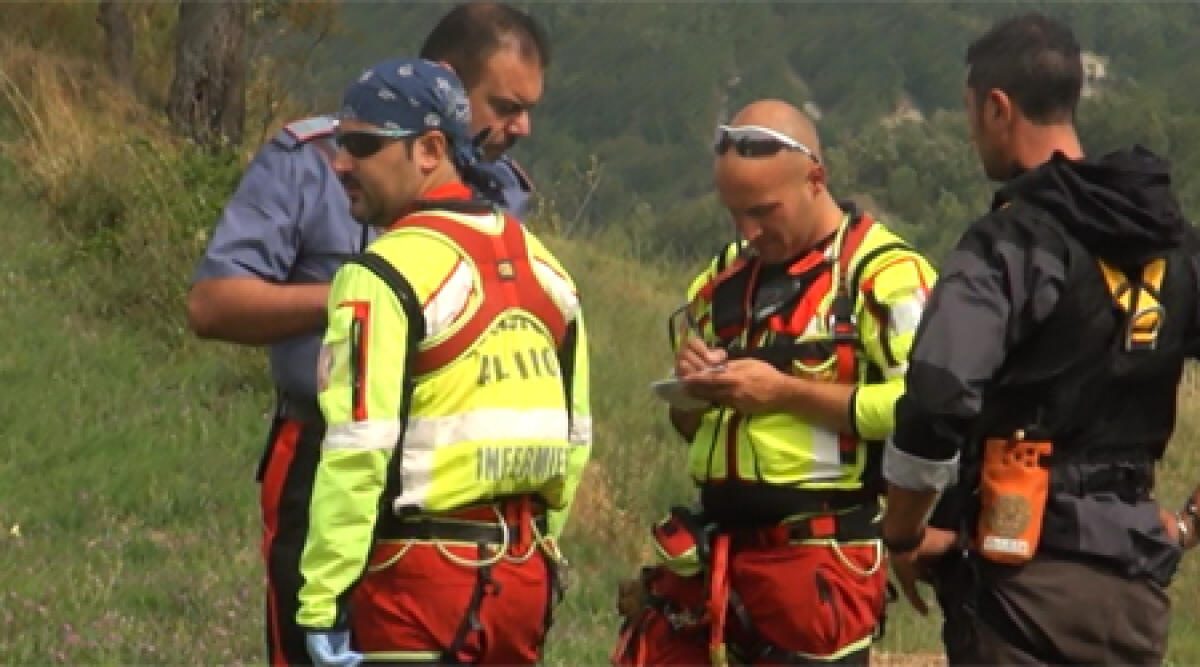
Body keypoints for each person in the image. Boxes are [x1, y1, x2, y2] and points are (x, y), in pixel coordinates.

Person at [185, 4, 551, 664]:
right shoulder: (316, 161)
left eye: (528, 108)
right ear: (445, 82)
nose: (521, 127)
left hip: (454, 482)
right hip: (325, 452)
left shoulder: (503, 192)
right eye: (503, 104)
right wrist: (369, 302)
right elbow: (213, 302)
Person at [881, 12, 1200, 665]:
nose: (973, 135)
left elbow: (939, 393)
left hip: (1021, 587)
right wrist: (1189, 521)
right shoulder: (1174, 242)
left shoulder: (1012, 242)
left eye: (972, 114)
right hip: (1133, 591)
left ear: (999, 108)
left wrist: (906, 527)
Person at [612, 100, 937, 665]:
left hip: (817, 567)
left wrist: (785, 394)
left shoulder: (886, 277)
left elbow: (925, 409)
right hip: (712, 560)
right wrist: (693, 389)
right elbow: (688, 427)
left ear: (816, 178)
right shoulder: (721, 279)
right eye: (734, 213)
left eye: (763, 211)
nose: (748, 231)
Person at [295, 58, 590, 667]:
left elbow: (357, 449)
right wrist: (543, 550)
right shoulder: (548, 270)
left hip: (419, 583)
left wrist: (322, 601)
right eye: (337, 143)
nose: (340, 163)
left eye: (361, 144)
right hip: (523, 577)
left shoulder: (380, 275)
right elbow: (575, 437)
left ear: (430, 149)